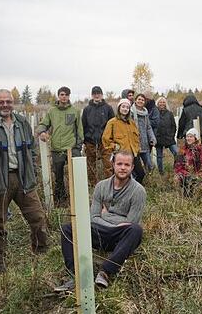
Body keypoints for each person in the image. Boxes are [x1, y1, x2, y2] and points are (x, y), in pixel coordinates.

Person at [0, 89, 50, 273]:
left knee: (37, 217)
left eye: (8, 101)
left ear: (13, 103)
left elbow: (32, 149)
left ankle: (41, 252)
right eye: (1, 102)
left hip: (23, 179)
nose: (5, 105)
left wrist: (33, 171)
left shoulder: (22, 122)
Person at [54, 150, 146, 291]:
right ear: (113, 165)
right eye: (119, 163)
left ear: (132, 167)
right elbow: (93, 217)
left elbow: (131, 222)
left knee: (136, 230)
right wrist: (112, 220)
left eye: (127, 165)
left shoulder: (138, 191)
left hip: (119, 237)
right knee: (67, 228)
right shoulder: (101, 186)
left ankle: (105, 272)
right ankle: (76, 275)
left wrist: (105, 215)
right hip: (99, 232)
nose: (123, 167)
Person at [37, 86, 83, 205]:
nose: (64, 97)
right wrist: (42, 132)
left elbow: (79, 130)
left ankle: (77, 198)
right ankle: (61, 199)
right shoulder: (52, 111)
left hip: (71, 147)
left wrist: (77, 146)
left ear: (69, 96)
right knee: (58, 175)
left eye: (66, 95)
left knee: (76, 174)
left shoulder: (74, 111)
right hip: (57, 148)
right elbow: (44, 124)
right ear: (59, 96)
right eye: (62, 94)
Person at [102, 99, 146, 182]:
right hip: (121, 155)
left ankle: (134, 191)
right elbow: (105, 139)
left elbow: (137, 138)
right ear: (119, 108)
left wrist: (137, 149)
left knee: (141, 174)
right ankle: (121, 192)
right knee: (122, 177)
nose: (125, 109)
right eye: (123, 107)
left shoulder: (132, 123)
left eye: (127, 107)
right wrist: (114, 146)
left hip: (133, 154)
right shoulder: (112, 122)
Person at [81, 86, 115, 185]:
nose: (96, 95)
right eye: (94, 94)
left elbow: (112, 123)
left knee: (108, 164)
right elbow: (84, 124)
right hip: (90, 140)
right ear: (92, 95)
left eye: (98, 93)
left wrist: (111, 139)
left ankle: (110, 183)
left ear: (101, 95)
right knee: (91, 164)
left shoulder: (108, 108)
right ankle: (93, 184)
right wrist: (84, 139)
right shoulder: (87, 109)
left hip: (105, 141)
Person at [177, 94, 202, 171]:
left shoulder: (185, 110)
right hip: (200, 136)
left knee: (186, 153)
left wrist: (179, 135)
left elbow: (181, 124)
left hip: (189, 137)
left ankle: (187, 170)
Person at [174, 128, 202, 197]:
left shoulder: (199, 150)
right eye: (187, 136)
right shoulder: (182, 150)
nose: (188, 138)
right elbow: (178, 167)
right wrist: (188, 174)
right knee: (182, 180)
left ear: (195, 138)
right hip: (184, 175)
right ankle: (185, 197)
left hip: (196, 175)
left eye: (191, 136)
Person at [131, 94, 156, 175]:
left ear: (144, 102)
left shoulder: (145, 113)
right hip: (134, 144)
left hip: (144, 143)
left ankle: (150, 181)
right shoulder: (130, 112)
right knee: (135, 167)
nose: (140, 101)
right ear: (135, 100)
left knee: (149, 165)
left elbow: (148, 127)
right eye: (139, 99)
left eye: (142, 100)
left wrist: (152, 138)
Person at [154, 97, 178, 173]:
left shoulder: (169, 113)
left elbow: (173, 126)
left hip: (169, 138)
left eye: (163, 102)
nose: (162, 103)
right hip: (158, 138)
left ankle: (176, 170)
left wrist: (171, 135)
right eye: (160, 102)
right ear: (157, 103)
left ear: (166, 103)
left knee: (177, 153)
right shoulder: (154, 113)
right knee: (159, 156)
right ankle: (161, 172)